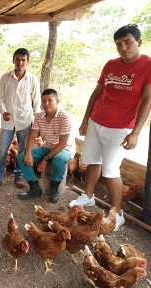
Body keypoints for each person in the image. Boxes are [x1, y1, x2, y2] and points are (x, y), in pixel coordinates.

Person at [68, 24, 151, 231]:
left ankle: (117, 213)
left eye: (127, 42)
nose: (123, 47)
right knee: (92, 161)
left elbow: (148, 100)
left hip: (121, 127)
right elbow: (97, 93)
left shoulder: (147, 65)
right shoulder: (111, 64)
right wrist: (86, 119)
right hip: (97, 121)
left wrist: (136, 132)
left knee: (111, 171)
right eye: (118, 44)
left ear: (138, 42)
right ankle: (87, 196)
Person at [0, 48, 41, 190]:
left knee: (22, 149)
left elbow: (36, 102)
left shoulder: (32, 79)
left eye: (23, 60)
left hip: (25, 120)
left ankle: (19, 176)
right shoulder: (5, 78)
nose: (20, 63)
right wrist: (3, 111)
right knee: (2, 150)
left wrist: (37, 122)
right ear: (13, 60)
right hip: (8, 121)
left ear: (27, 61)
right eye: (17, 59)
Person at [16, 89, 75, 203]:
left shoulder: (65, 117)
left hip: (65, 148)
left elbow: (62, 144)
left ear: (57, 101)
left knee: (58, 159)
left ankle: (54, 188)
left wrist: (45, 159)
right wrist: (28, 153)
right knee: (21, 157)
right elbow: (32, 136)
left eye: (50, 100)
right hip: (48, 146)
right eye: (43, 101)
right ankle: (35, 188)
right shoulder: (39, 116)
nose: (46, 104)